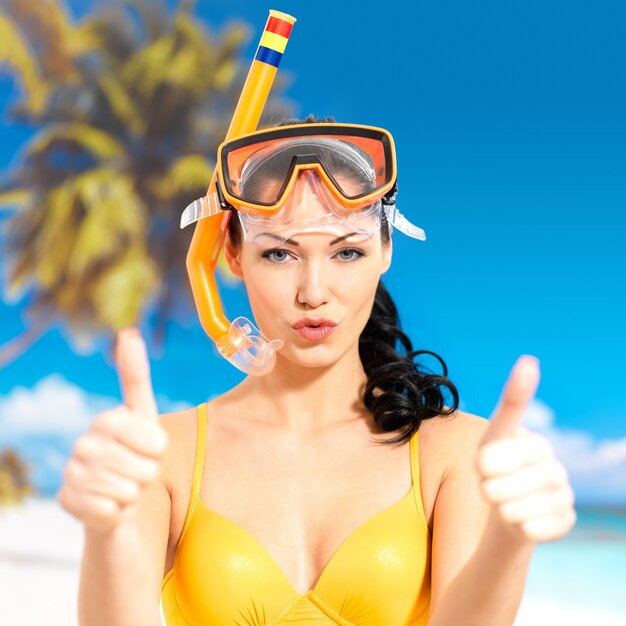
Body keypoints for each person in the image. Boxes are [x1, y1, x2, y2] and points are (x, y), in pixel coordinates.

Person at [58, 115, 577, 626]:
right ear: (233, 256)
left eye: (347, 251)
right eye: (280, 254)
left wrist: (510, 545)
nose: (313, 292)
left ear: (385, 251)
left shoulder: (455, 452)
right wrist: (105, 534)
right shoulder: (163, 455)